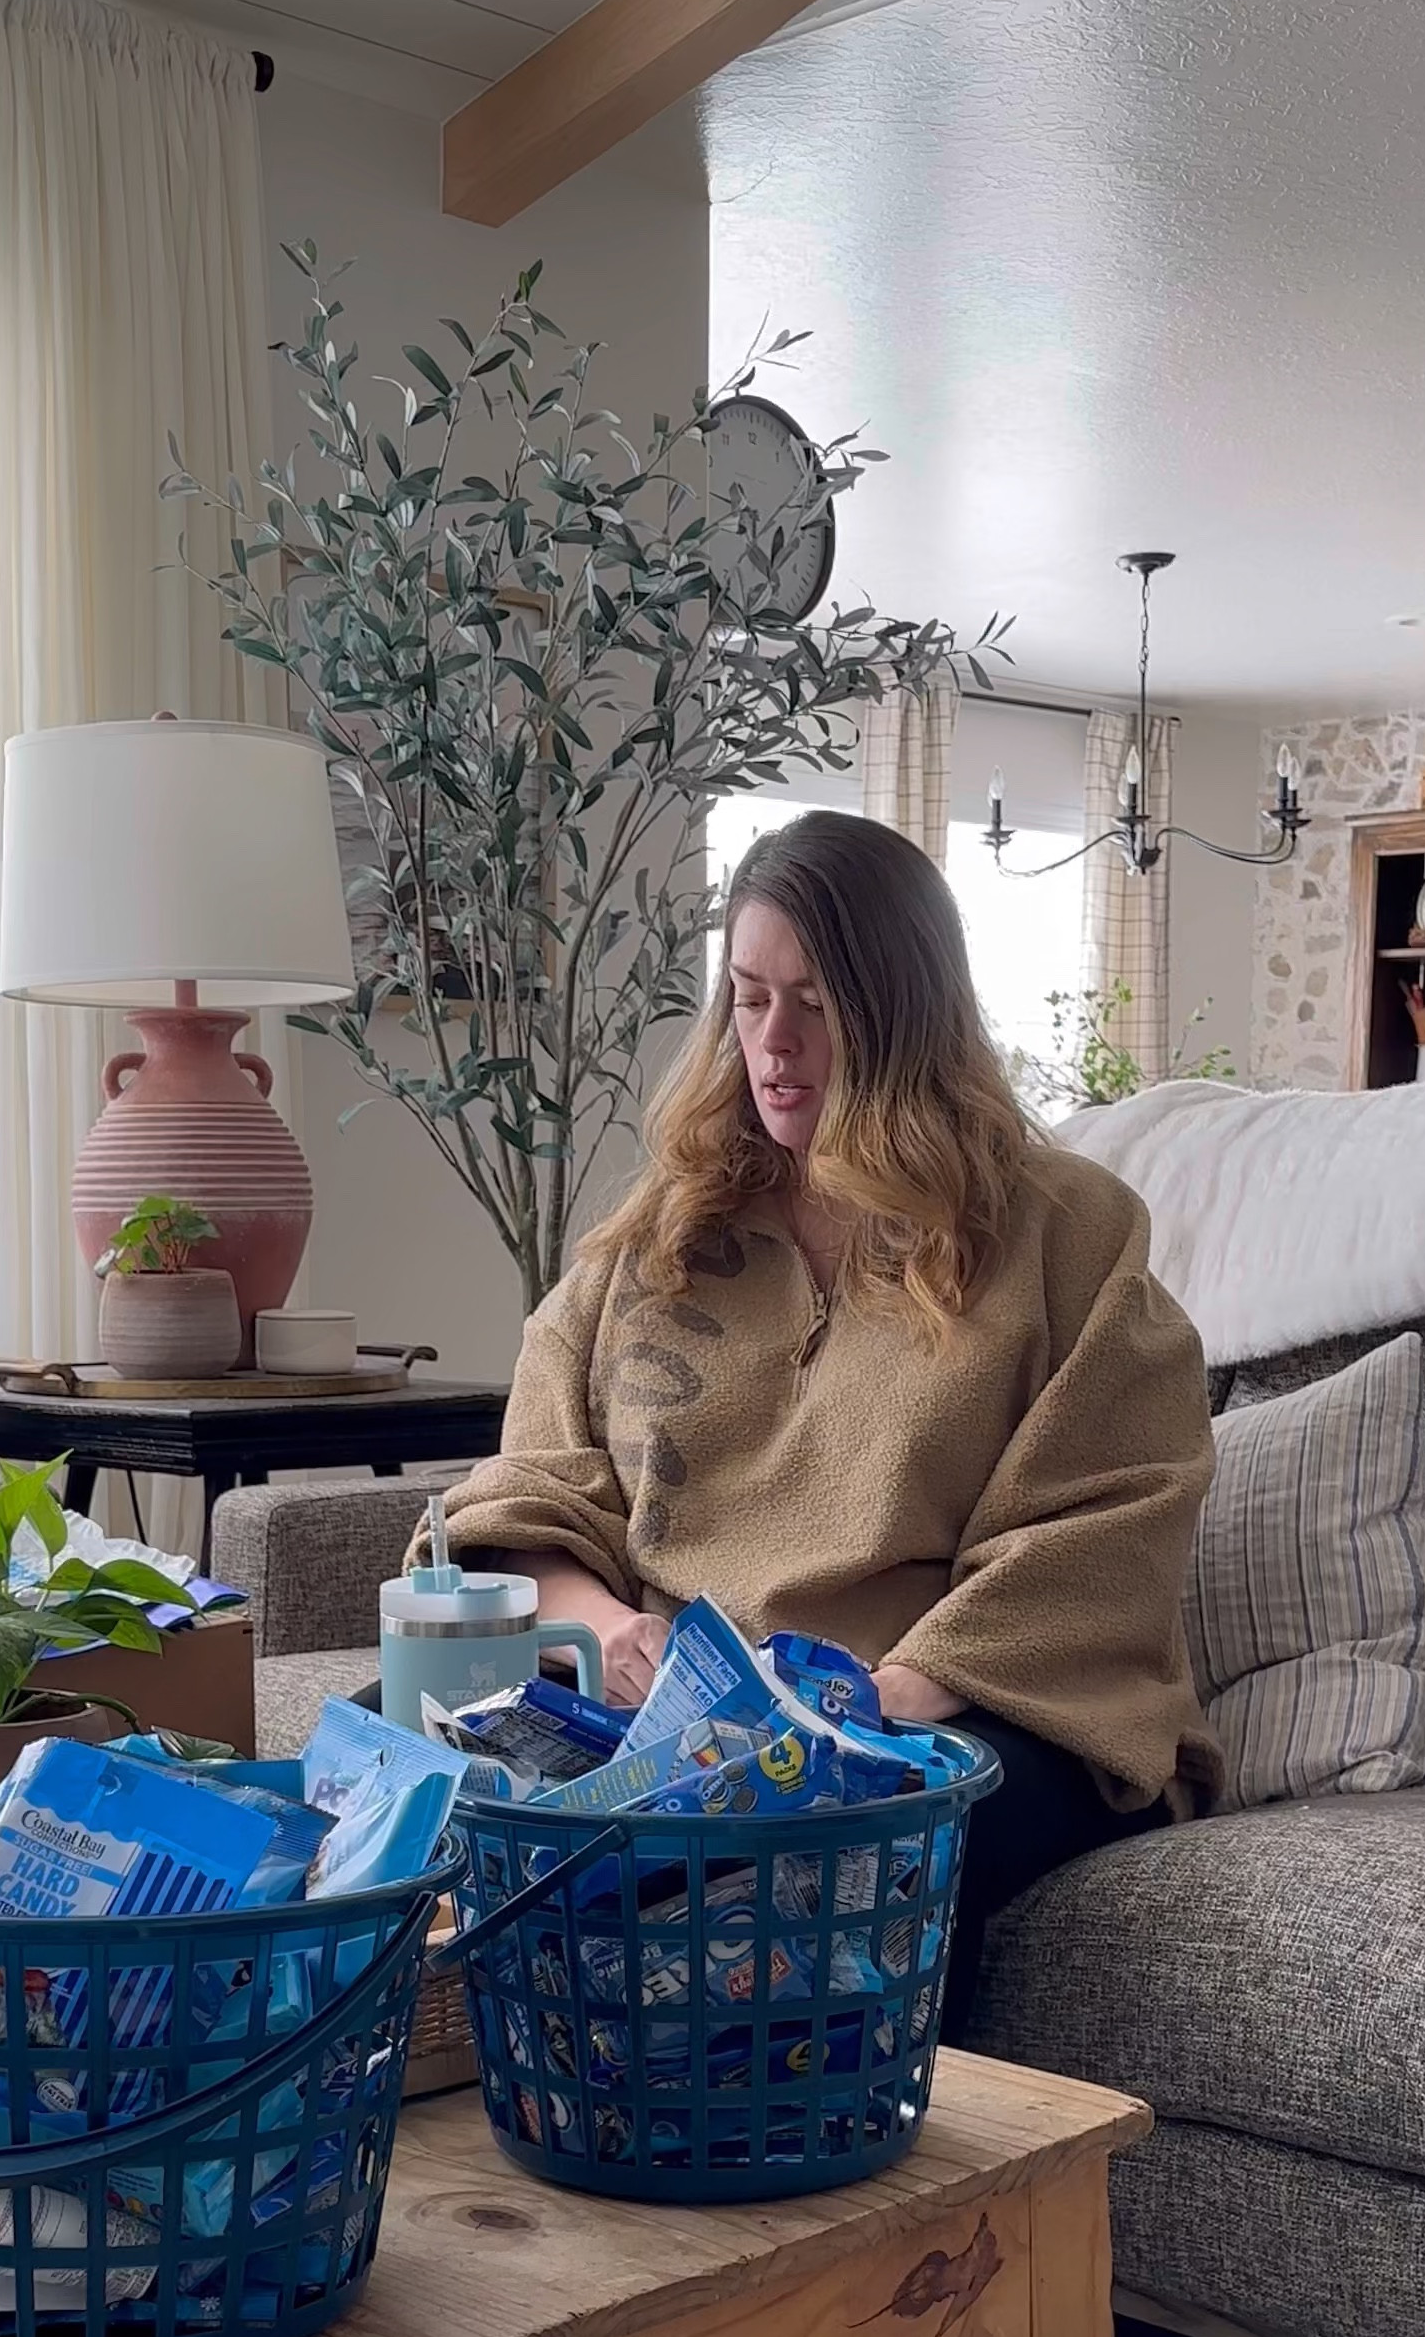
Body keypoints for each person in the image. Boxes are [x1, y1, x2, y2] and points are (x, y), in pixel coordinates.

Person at [439, 806, 1220, 2032]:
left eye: (817, 1001)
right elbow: (531, 1482)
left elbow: (1112, 1515)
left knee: (859, 1851)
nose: (775, 1044)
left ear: (906, 1013)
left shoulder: (1067, 1232)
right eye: (749, 998)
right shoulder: (664, 1235)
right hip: (677, 1718)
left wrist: (881, 1701)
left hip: (956, 1710)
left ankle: (853, 2196)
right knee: (452, 1815)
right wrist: (604, 1627)